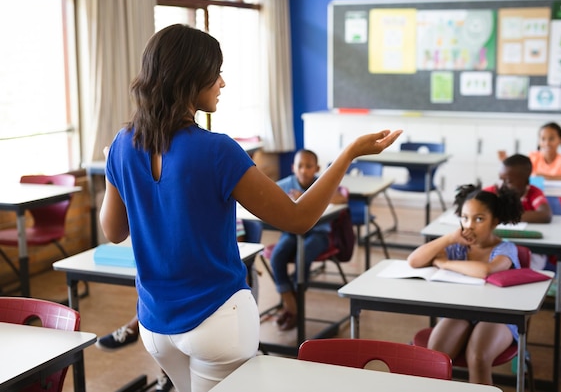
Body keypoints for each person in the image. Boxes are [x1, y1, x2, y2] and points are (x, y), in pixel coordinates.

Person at [99, 23, 402, 391]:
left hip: (155, 325)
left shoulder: (121, 144)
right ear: (191, 78)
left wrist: (115, 172)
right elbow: (299, 218)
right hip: (216, 319)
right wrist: (349, 154)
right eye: (216, 73)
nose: (222, 83)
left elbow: (113, 231)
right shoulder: (216, 150)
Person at [94, 219, 251, 391]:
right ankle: (160, 369)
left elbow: (239, 246)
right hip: (176, 302)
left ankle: (133, 330)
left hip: (202, 295)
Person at [406, 184, 523, 385]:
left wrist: (444, 263)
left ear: (495, 221)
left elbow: (485, 270)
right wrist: (449, 238)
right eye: (465, 218)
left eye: (479, 219)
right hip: (461, 311)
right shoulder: (458, 246)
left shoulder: (506, 248)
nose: (469, 225)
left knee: (478, 358)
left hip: (498, 316)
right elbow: (414, 261)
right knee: (436, 356)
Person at [270, 149, 348, 331]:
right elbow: (269, 197)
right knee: (277, 256)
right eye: (299, 166)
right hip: (291, 232)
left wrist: (304, 199)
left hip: (319, 234)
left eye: (308, 166)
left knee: (302, 258)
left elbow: (342, 197)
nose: (303, 170)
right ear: (293, 168)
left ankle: (293, 307)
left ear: (317, 168)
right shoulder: (286, 184)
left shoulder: (323, 183)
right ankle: (290, 302)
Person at [483, 153, 556, 271]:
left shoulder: (533, 193)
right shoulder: (496, 190)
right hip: (498, 246)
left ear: (526, 181)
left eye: (509, 181)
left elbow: (545, 215)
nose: (503, 185)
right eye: (501, 179)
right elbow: (473, 203)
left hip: (531, 248)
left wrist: (506, 215)